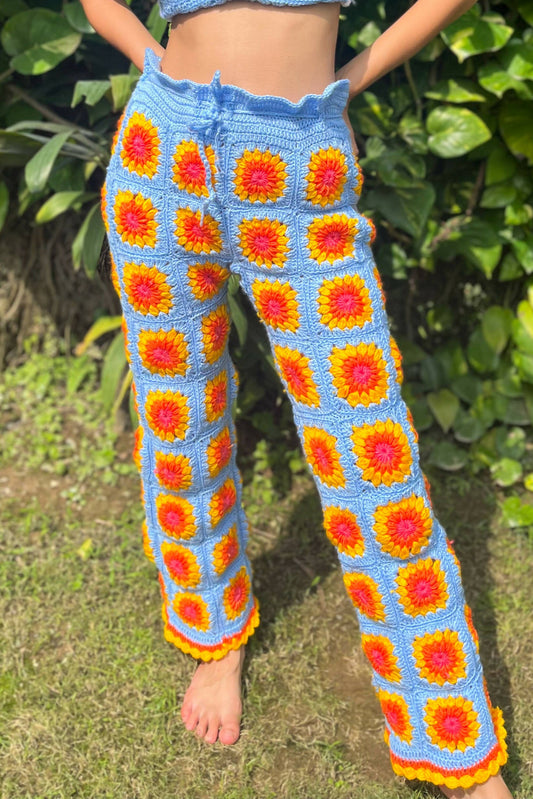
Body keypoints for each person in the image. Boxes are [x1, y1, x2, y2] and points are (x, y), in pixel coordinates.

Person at [81, 0, 513, 795]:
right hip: (161, 151)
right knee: (180, 426)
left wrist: (352, 77)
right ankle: (215, 635)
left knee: (371, 462)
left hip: (297, 163)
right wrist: (151, 62)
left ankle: (450, 738)